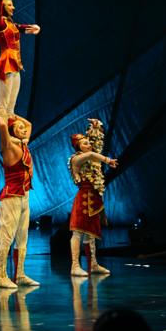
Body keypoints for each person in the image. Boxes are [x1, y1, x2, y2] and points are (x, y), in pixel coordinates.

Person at [0, 113, 39, 290]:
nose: (24, 129)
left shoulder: (23, 144)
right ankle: (2, 276)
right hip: (11, 196)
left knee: (22, 237)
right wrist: (0, 113)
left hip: (24, 196)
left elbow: (30, 124)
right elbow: (2, 128)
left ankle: (20, 274)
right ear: (12, 131)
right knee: (7, 238)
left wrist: (14, 115)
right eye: (19, 128)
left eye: (23, 128)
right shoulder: (9, 147)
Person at [68, 118, 117, 277]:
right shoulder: (76, 159)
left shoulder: (91, 157)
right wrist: (108, 160)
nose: (89, 145)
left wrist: (96, 126)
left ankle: (93, 264)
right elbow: (90, 153)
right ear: (78, 147)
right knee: (77, 232)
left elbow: (96, 145)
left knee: (91, 234)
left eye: (89, 143)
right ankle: (75, 265)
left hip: (94, 198)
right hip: (83, 199)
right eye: (85, 143)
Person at [0, 0, 41, 121]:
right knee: (3, 104)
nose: (13, 8)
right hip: (6, 63)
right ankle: (3, 128)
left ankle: (10, 126)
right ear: (3, 7)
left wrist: (32, 27)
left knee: (11, 106)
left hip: (16, 64)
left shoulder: (10, 23)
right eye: (10, 5)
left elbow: (19, 28)